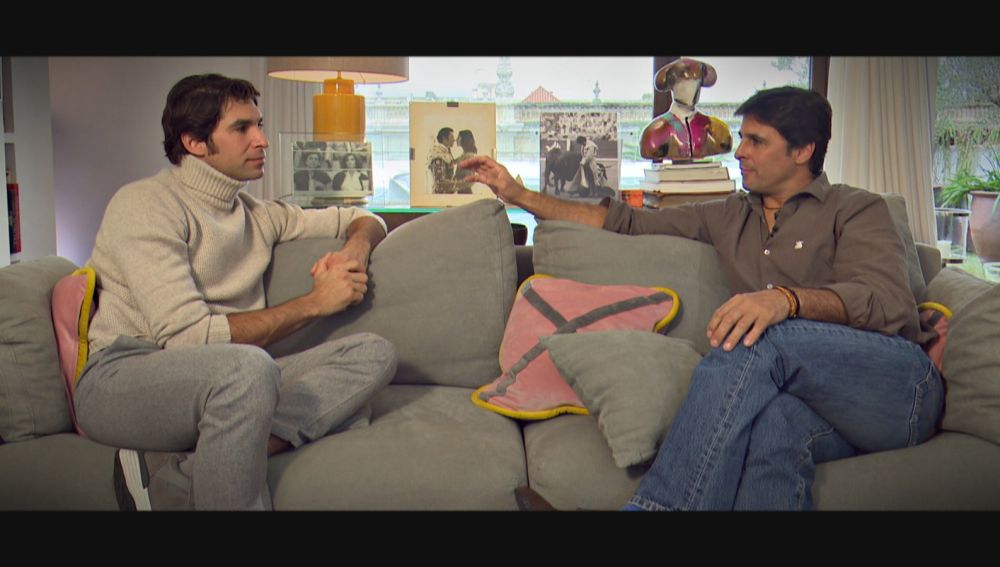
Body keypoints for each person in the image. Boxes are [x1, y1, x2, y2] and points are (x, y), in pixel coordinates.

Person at [459, 86, 943, 511]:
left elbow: (887, 303)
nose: (740, 152)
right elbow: (626, 222)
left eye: (757, 141)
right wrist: (517, 193)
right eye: (743, 138)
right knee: (774, 430)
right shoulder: (729, 215)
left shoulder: (856, 209)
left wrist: (786, 301)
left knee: (754, 333)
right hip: (808, 404)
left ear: (803, 151)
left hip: (895, 389)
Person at [76, 74, 398, 511]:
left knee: (373, 352)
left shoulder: (257, 213)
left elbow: (365, 218)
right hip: (123, 377)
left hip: (233, 379)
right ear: (194, 142)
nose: (261, 140)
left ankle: (188, 469)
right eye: (242, 128)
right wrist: (314, 303)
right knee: (252, 370)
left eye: (258, 125)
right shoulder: (145, 204)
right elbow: (188, 339)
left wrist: (353, 252)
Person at [639, 57, 733, 161]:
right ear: (673, 87)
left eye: (695, 84)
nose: (690, 91)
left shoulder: (717, 128)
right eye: (683, 84)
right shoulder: (654, 131)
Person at [427, 127, 457, 194]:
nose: (454, 140)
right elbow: (439, 182)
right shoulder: (438, 155)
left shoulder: (446, 152)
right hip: (441, 195)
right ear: (444, 139)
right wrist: (458, 184)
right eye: (452, 137)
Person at [451, 130, 477, 194]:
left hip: (465, 192)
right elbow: (454, 161)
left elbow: (469, 180)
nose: (456, 140)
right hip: (462, 191)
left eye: (458, 137)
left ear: (464, 139)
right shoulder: (464, 154)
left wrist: (453, 185)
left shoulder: (468, 156)